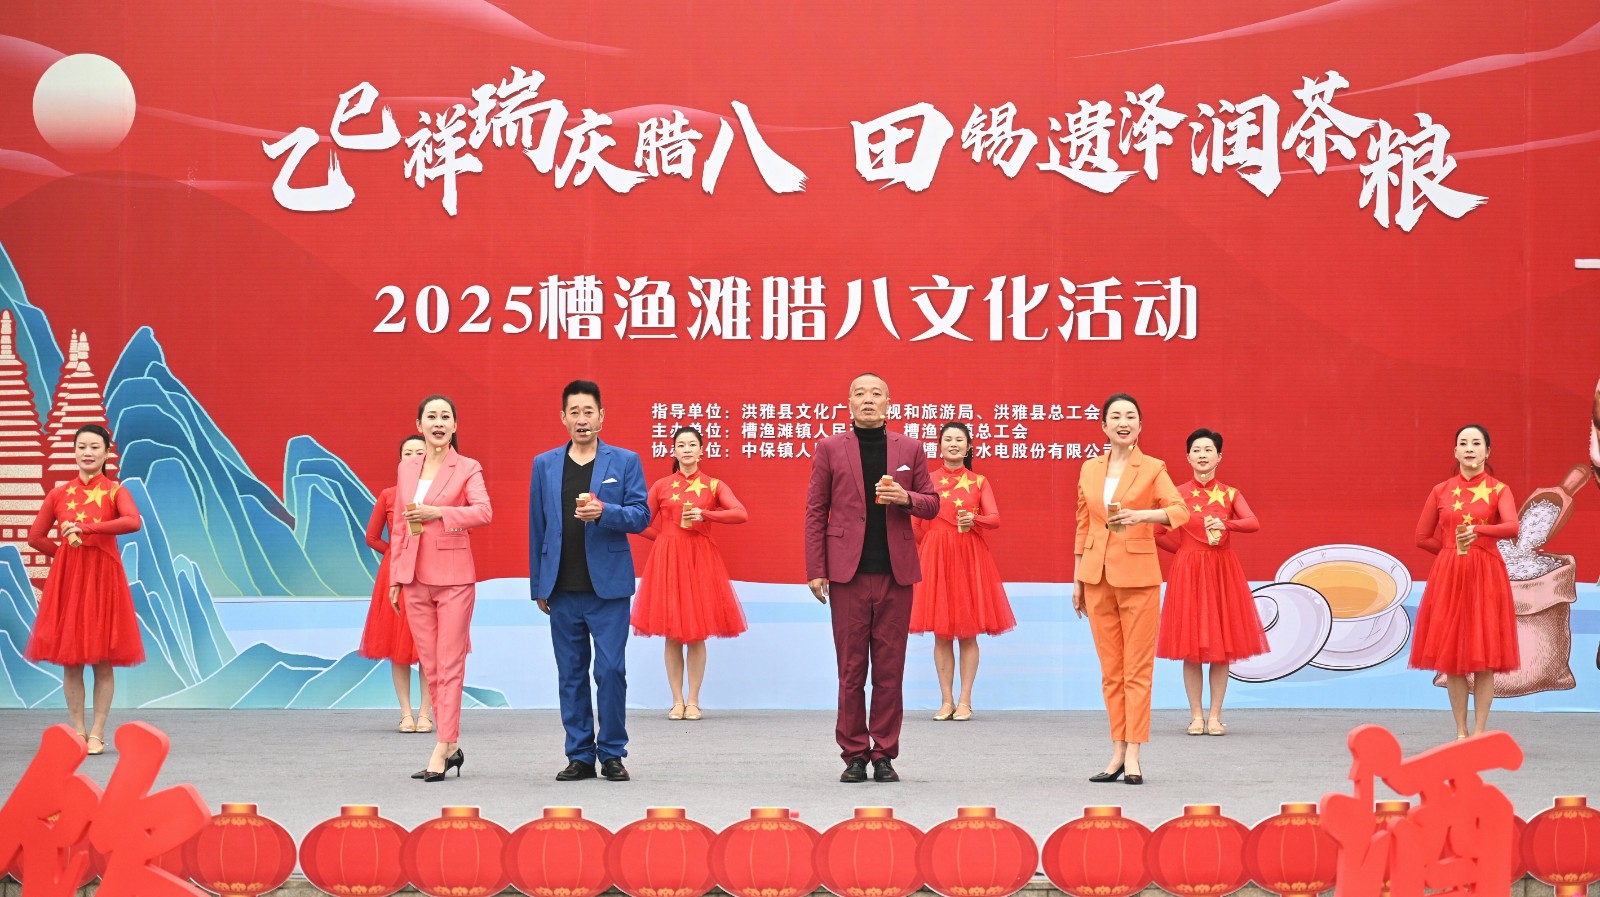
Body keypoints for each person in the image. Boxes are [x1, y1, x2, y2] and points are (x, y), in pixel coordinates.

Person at [804, 373, 939, 783]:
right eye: (860, 393)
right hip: (848, 574)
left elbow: (932, 504)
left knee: (889, 670)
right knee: (851, 670)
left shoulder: (909, 448)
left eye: (876, 393)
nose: (868, 399)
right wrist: (816, 568)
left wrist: (906, 498)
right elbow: (816, 510)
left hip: (896, 574)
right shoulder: (830, 448)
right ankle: (853, 754)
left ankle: (883, 754)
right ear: (848, 402)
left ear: (888, 403)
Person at [529, 380, 649, 782]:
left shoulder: (625, 461)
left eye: (589, 411)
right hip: (562, 587)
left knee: (611, 671)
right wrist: (538, 585)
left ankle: (612, 753)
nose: (582, 419)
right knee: (571, 673)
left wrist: (604, 512)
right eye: (574, 412)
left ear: (601, 417)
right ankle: (579, 755)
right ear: (563, 417)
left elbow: (641, 516)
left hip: (608, 588)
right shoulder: (545, 464)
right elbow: (537, 526)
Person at [1073, 393, 1188, 786]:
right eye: (1116, 417)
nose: (1123, 422)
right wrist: (1078, 578)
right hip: (1096, 577)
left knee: (1136, 670)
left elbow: (1179, 510)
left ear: (1140, 425)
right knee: (1111, 672)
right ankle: (1117, 750)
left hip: (1138, 578)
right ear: (1103, 426)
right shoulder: (1089, 468)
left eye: (1131, 416)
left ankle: (1135, 752)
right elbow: (1083, 523)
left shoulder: (1153, 468)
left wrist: (1143, 515)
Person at [387, 395, 492, 782]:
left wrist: (439, 513)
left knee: (449, 664)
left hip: (453, 578)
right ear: (419, 425)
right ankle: (451, 747)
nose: (438, 422)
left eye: (445, 416)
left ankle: (443, 745)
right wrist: (396, 576)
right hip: (414, 577)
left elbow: (483, 511)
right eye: (431, 416)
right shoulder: (407, 468)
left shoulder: (467, 467)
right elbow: (400, 524)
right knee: (430, 665)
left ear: (454, 426)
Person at [26, 424, 143, 756]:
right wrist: (65, 556)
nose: (87, 453)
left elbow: (133, 521)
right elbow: (35, 537)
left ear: (107, 453)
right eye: (81, 447)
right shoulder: (59, 494)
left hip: (105, 582)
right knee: (72, 660)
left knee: (103, 661)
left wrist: (86, 529)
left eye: (94, 447)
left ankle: (98, 732)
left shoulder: (115, 491)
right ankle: (77, 730)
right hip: (71, 583)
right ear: (74, 452)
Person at [1409, 424, 1519, 739]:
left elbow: (1512, 527)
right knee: (1452, 657)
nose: (1470, 448)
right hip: (1450, 577)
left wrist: (1479, 533)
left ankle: (1480, 732)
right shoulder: (1441, 490)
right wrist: (1449, 553)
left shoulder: (1499, 490)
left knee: (1485, 657)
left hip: (1487, 577)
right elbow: (1421, 537)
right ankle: (1461, 732)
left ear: (1487, 451)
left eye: (1476, 443)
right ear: (1455, 452)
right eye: (1463, 443)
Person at [632, 426, 749, 721]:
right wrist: (663, 539)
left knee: (697, 634)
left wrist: (705, 514)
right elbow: (639, 521)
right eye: (681, 445)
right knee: (672, 633)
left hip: (700, 561)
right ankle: (677, 700)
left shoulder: (713, 485)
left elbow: (740, 513)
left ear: (701, 451)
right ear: (674, 451)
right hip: (668, 562)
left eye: (692, 444)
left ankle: (694, 700)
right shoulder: (661, 486)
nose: (686, 449)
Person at [1154, 428, 1266, 737]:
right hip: (1188, 573)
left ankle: (1215, 716)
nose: (1202, 455)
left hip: (1221, 572)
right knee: (1190, 647)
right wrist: (1186, 553)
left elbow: (1253, 522)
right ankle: (1196, 716)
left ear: (1219, 456)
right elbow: (1157, 533)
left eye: (1208, 450)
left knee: (1222, 647)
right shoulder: (1176, 495)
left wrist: (1226, 524)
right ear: (1188, 457)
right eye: (1196, 450)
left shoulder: (1230, 494)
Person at [909, 422, 1014, 722]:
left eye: (959, 440)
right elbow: (915, 525)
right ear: (939, 446)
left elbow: (995, 519)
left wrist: (974, 520)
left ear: (969, 447)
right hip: (936, 560)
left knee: (968, 634)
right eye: (948, 439)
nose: (953, 444)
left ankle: (965, 700)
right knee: (941, 634)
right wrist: (935, 545)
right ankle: (946, 701)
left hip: (970, 559)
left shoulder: (979, 481)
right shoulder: (926, 481)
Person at [359, 434, 433, 733]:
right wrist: (396, 552)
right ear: (400, 460)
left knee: (428, 648)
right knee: (398, 647)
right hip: (398, 576)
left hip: (431, 573)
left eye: (420, 452)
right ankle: (406, 714)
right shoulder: (389, 495)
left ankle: (426, 714)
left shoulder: (441, 492)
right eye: (408, 453)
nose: (414, 458)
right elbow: (372, 537)